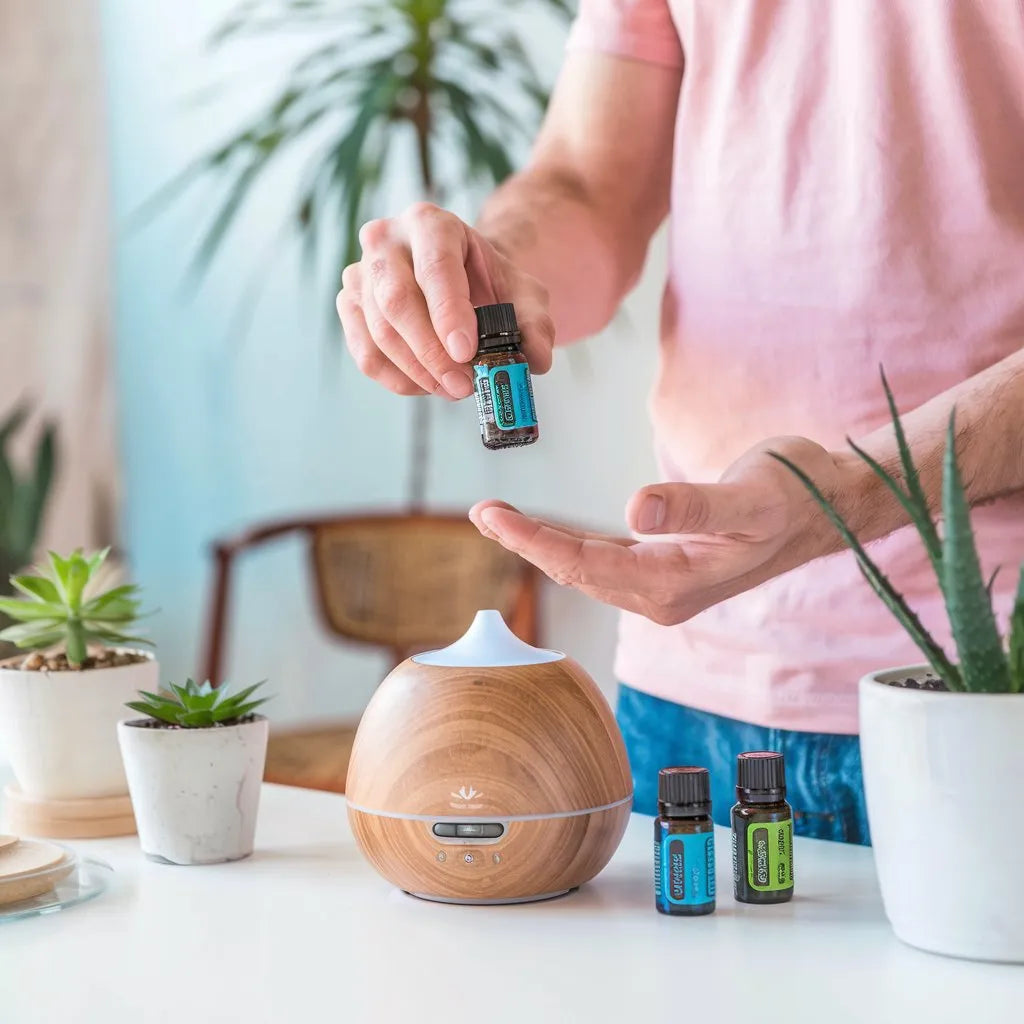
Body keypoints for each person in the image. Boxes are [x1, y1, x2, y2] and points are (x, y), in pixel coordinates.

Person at [336, 0, 1024, 844]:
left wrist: (849, 495)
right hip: (685, 685)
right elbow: (592, 185)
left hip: (988, 688)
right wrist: (497, 265)